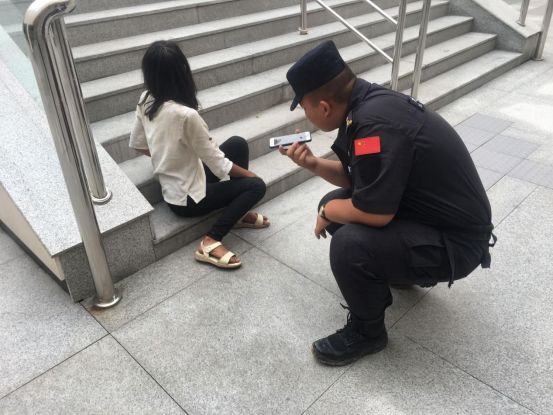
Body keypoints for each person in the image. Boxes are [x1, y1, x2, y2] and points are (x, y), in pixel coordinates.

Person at [281, 40, 495, 366]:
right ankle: (398, 272)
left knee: (348, 243)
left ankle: (367, 333)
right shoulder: (368, 105)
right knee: (336, 207)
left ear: (323, 107)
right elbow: (361, 179)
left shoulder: (372, 126)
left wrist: (326, 211)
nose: (306, 116)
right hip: (433, 220)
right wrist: (312, 164)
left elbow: (374, 213)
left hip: (457, 243)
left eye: (304, 108)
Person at [129, 40, 269, 269]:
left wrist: (167, 155)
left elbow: (139, 144)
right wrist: (251, 176)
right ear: (182, 72)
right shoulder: (186, 115)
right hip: (189, 200)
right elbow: (219, 165)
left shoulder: (146, 99)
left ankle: (239, 213)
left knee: (238, 144)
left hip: (176, 187)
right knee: (256, 186)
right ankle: (211, 241)